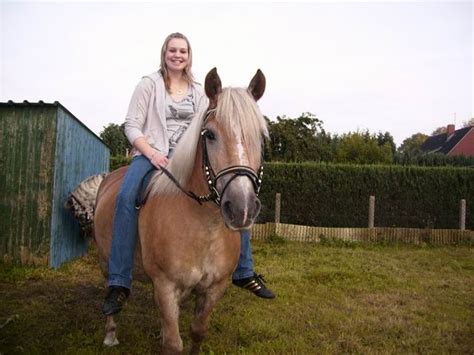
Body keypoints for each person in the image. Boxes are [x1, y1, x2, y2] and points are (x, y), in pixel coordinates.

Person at [102, 32, 275, 316]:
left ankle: (244, 270)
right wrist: (152, 153)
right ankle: (119, 282)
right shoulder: (149, 85)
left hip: (187, 158)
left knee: (232, 196)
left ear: (189, 55)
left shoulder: (198, 91)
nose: (177, 55)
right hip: (151, 155)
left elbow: (208, 126)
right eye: (173, 50)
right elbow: (131, 125)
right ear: (164, 53)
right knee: (125, 196)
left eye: (183, 51)